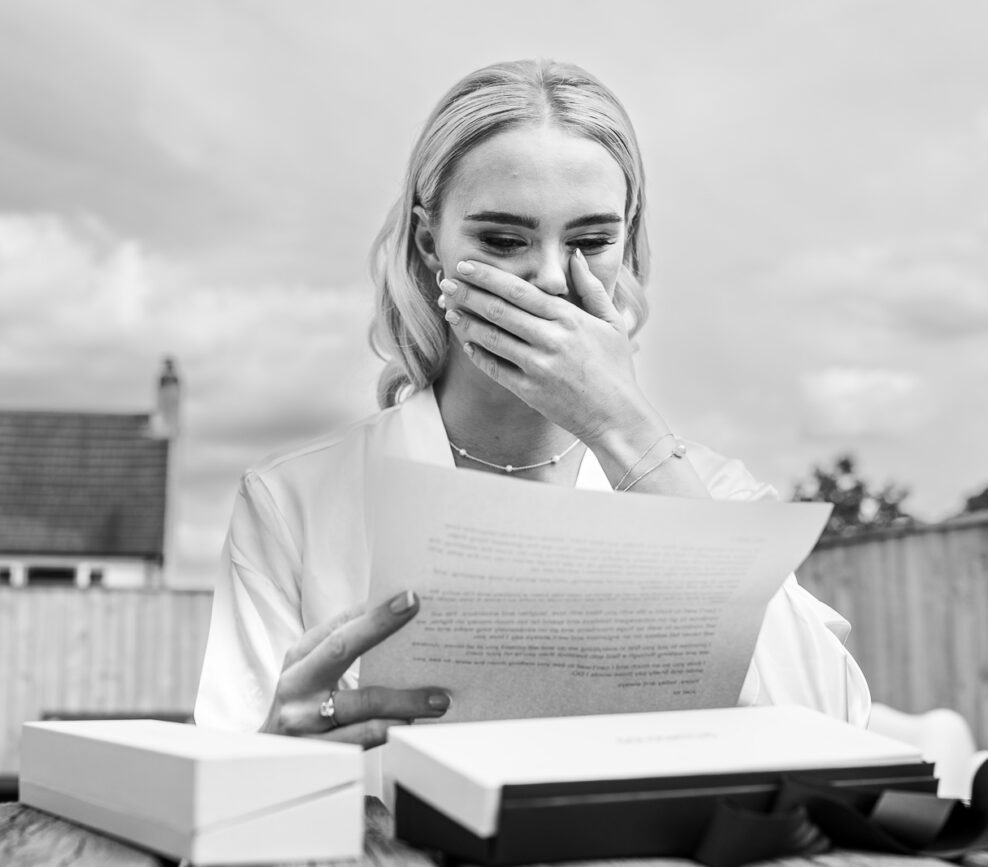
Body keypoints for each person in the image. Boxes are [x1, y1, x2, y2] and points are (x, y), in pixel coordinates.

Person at [195, 60, 870, 758]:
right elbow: (218, 783)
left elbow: (832, 732)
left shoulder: (715, 494)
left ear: (627, 242)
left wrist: (628, 435)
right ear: (431, 244)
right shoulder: (292, 504)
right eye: (503, 240)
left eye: (590, 241)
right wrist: (275, 748)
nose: (550, 277)